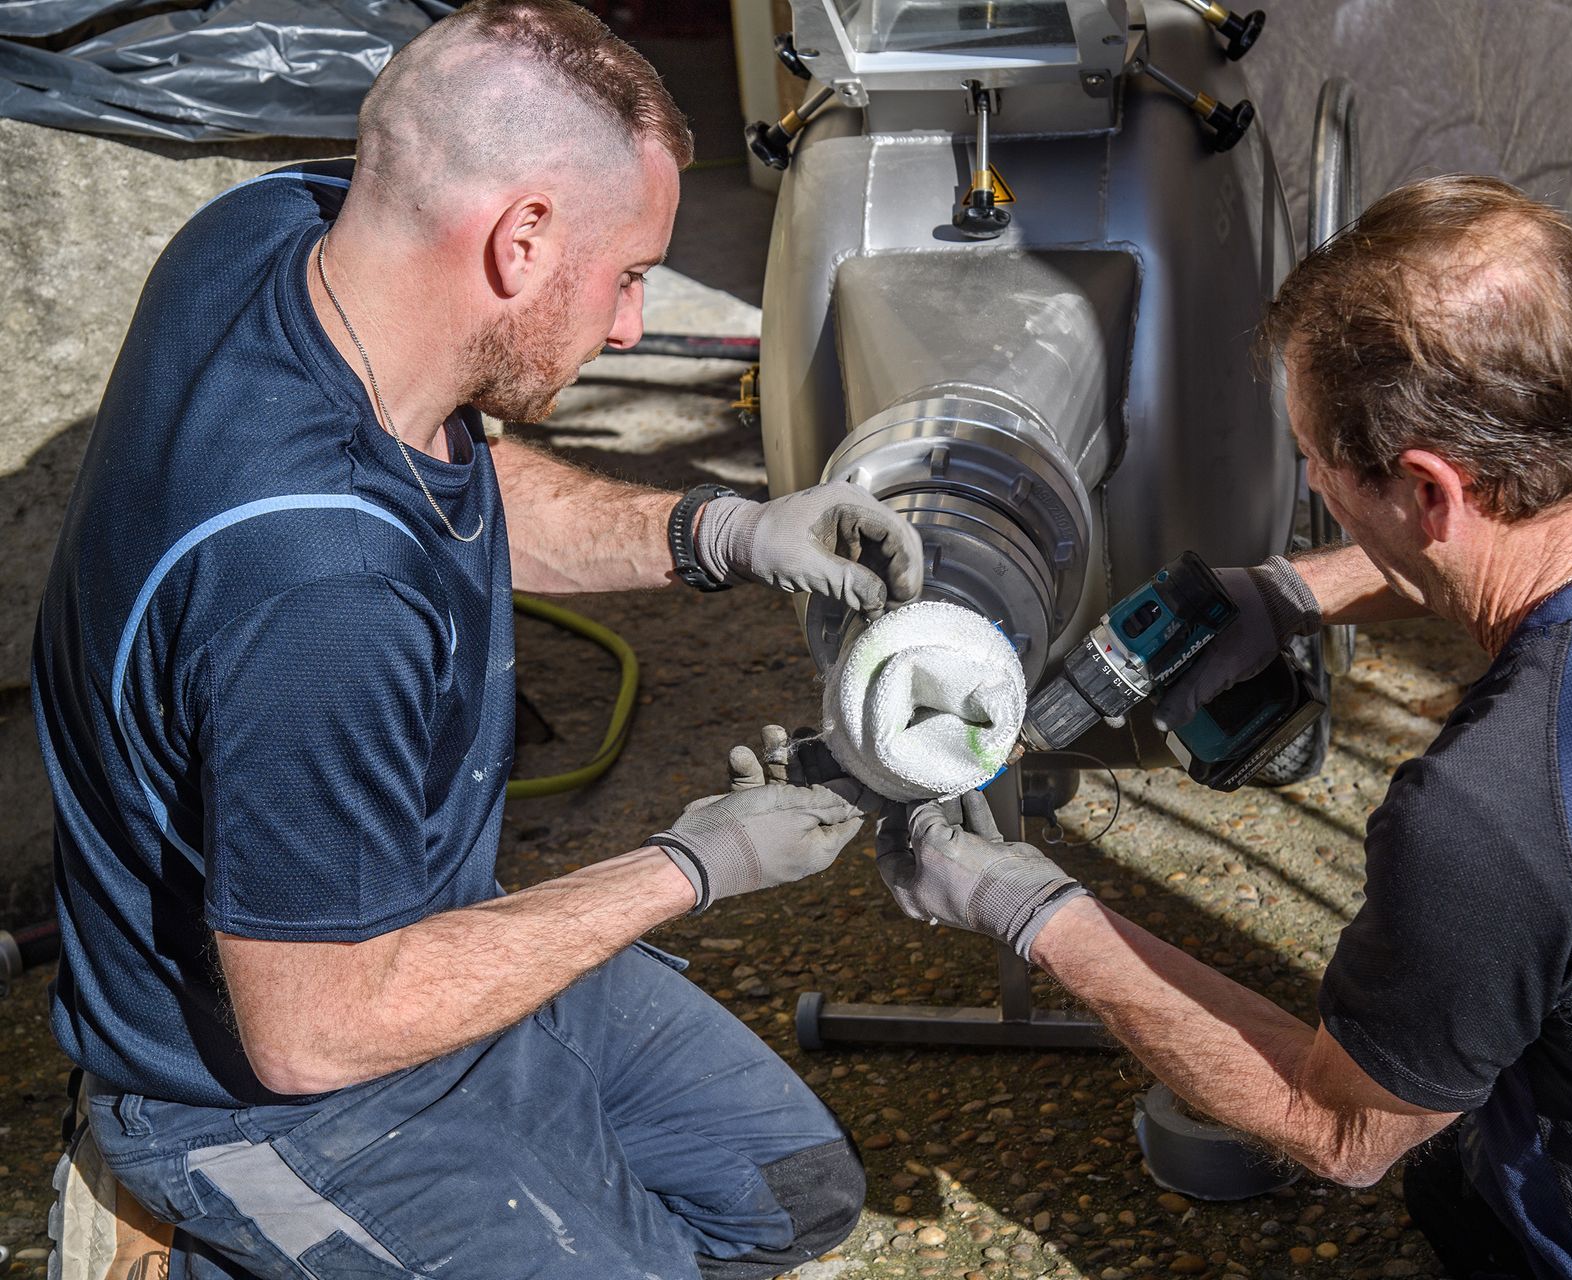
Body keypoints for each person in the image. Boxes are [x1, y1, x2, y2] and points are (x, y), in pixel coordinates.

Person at [876, 176, 1572, 1278]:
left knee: (1401, 1130)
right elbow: (1536, 542)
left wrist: (1035, 909)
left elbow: (1340, 1129)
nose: (1316, 484)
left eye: (1317, 463)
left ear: (1425, 489)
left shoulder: (1493, 816)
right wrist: (1288, 591)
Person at [31, 3, 920, 1276]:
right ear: (521, 237)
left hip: (418, 926)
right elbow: (313, 1033)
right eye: (628, 275)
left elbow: (439, 485)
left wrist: (720, 528)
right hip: (270, 1080)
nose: (628, 323)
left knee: (787, 1196)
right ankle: (180, 1231)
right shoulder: (315, 594)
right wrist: (695, 863)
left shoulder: (270, 233)